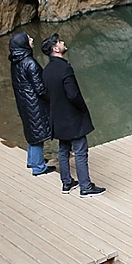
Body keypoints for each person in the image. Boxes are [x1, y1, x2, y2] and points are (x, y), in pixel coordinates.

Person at [41, 33, 106, 198]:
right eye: (60, 42)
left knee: (63, 149)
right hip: (71, 117)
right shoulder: (65, 68)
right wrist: (82, 108)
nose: (63, 43)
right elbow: (73, 94)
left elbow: (46, 94)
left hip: (57, 117)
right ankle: (85, 187)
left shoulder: (47, 70)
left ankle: (66, 183)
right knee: (80, 150)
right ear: (56, 48)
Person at [8, 32, 54, 175]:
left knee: (31, 131)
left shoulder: (16, 61)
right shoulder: (30, 62)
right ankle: (38, 167)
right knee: (38, 134)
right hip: (34, 104)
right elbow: (40, 88)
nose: (32, 39)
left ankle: (32, 160)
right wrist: (52, 98)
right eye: (29, 39)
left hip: (24, 103)